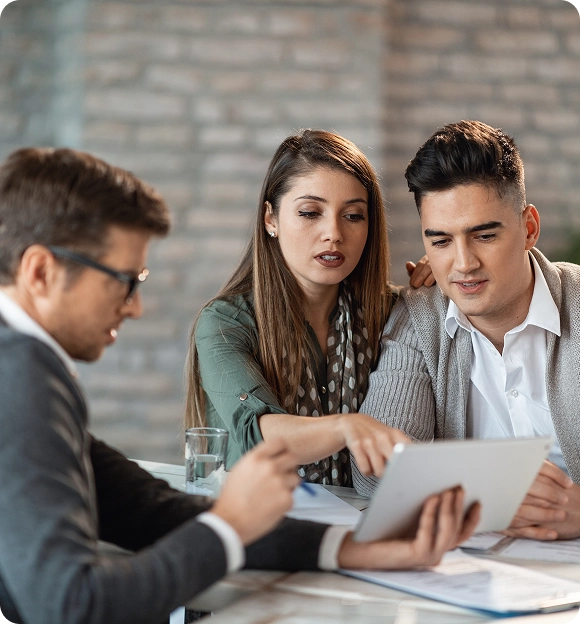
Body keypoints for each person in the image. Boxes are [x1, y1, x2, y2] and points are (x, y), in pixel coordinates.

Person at [0, 147, 479, 624]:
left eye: (353, 215)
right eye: (124, 281)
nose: (135, 307)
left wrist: (355, 548)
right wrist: (231, 524)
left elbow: (150, 509)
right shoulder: (22, 378)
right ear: (41, 272)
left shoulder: (28, 374)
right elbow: (70, 607)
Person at [354, 119, 580, 541]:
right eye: (440, 242)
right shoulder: (419, 321)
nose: (463, 263)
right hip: (469, 577)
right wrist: (488, 495)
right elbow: (376, 475)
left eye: (484, 235)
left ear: (529, 228)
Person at [187, 129, 434, 487]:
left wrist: (444, 272)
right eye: (310, 212)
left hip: (357, 525)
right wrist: (346, 427)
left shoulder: (391, 311)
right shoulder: (224, 323)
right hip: (257, 525)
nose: (333, 232)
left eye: (353, 216)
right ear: (270, 219)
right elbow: (261, 434)